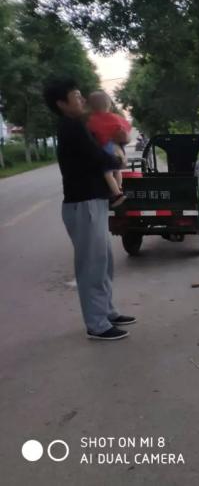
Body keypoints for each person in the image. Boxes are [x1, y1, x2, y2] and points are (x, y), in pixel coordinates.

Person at [44, 78, 137, 340]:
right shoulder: (71, 127)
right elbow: (96, 157)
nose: (82, 98)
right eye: (76, 95)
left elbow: (97, 153)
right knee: (92, 265)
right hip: (82, 205)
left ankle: (107, 311)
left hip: (93, 202)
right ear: (62, 104)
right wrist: (116, 159)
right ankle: (97, 324)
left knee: (103, 261)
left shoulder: (78, 125)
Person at [86, 91, 131, 207]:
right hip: (118, 147)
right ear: (109, 105)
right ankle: (120, 187)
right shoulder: (116, 117)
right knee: (117, 170)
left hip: (107, 147)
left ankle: (117, 194)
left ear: (91, 107)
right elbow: (127, 129)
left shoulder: (92, 119)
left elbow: (88, 131)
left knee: (107, 173)